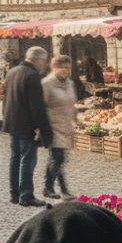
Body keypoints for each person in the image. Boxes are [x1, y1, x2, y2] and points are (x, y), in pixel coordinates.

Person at [2, 47, 53, 207]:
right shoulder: (32, 75)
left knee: (15, 158)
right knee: (27, 161)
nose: (43, 65)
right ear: (38, 61)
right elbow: (36, 106)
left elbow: (5, 98)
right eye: (43, 62)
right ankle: (26, 195)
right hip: (26, 125)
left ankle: (14, 193)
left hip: (12, 123)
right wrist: (43, 129)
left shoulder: (12, 71)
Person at [41, 56, 77, 200]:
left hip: (66, 125)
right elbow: (40, 106)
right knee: (58, 157)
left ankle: (62, 190)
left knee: (58, 159)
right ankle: (49, 188)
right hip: (52, 126)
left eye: (68, 67)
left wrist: (75, 117)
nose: (66, 71)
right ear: (53, 68)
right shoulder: (46, 84)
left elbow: (71, 103)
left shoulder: (70, 84)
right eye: (63, 67)